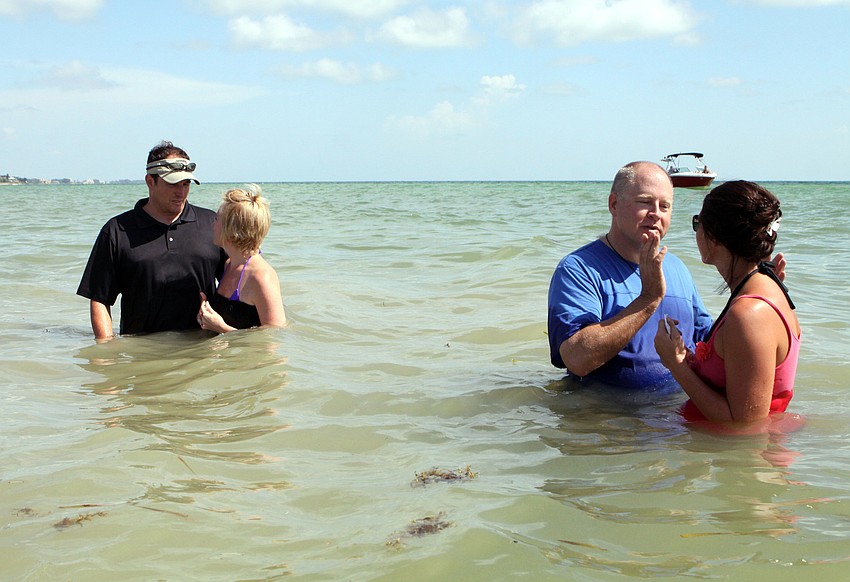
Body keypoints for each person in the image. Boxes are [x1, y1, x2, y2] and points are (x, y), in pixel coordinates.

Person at [547, 161, 713, 390]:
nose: (656, 214)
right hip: (610, 418)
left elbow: (711, 340)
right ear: (614, 204)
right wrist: (648, 300)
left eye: (665, 206)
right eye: (645, 202)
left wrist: (756, 289)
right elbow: (577, 359)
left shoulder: (677, 268)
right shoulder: (579, 269)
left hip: (678, 416)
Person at [654, 181, 801, 423]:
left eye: (697, 223)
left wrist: (676, 364)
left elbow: (743, 427)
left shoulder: (749, 314)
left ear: (714, 236)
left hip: (736, 456)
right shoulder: (764, 288)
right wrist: (689, 359)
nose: (697, 232)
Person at [77, 141, 225, 340]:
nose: (180, 192)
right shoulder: (117, 231)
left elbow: (240, 278)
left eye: (186, 184)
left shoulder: (213, 224)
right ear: (150, 181)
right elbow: (100, 299)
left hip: (204, 351)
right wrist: (106, 352)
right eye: (172, 183)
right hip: (142, 353)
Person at [196, 184, 286, 333]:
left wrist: (220, 327)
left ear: (231, 230)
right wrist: (207, 312)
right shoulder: (229, 265)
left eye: (217, 219)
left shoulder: (261, 277)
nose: (213, 223)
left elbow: (272, 339)